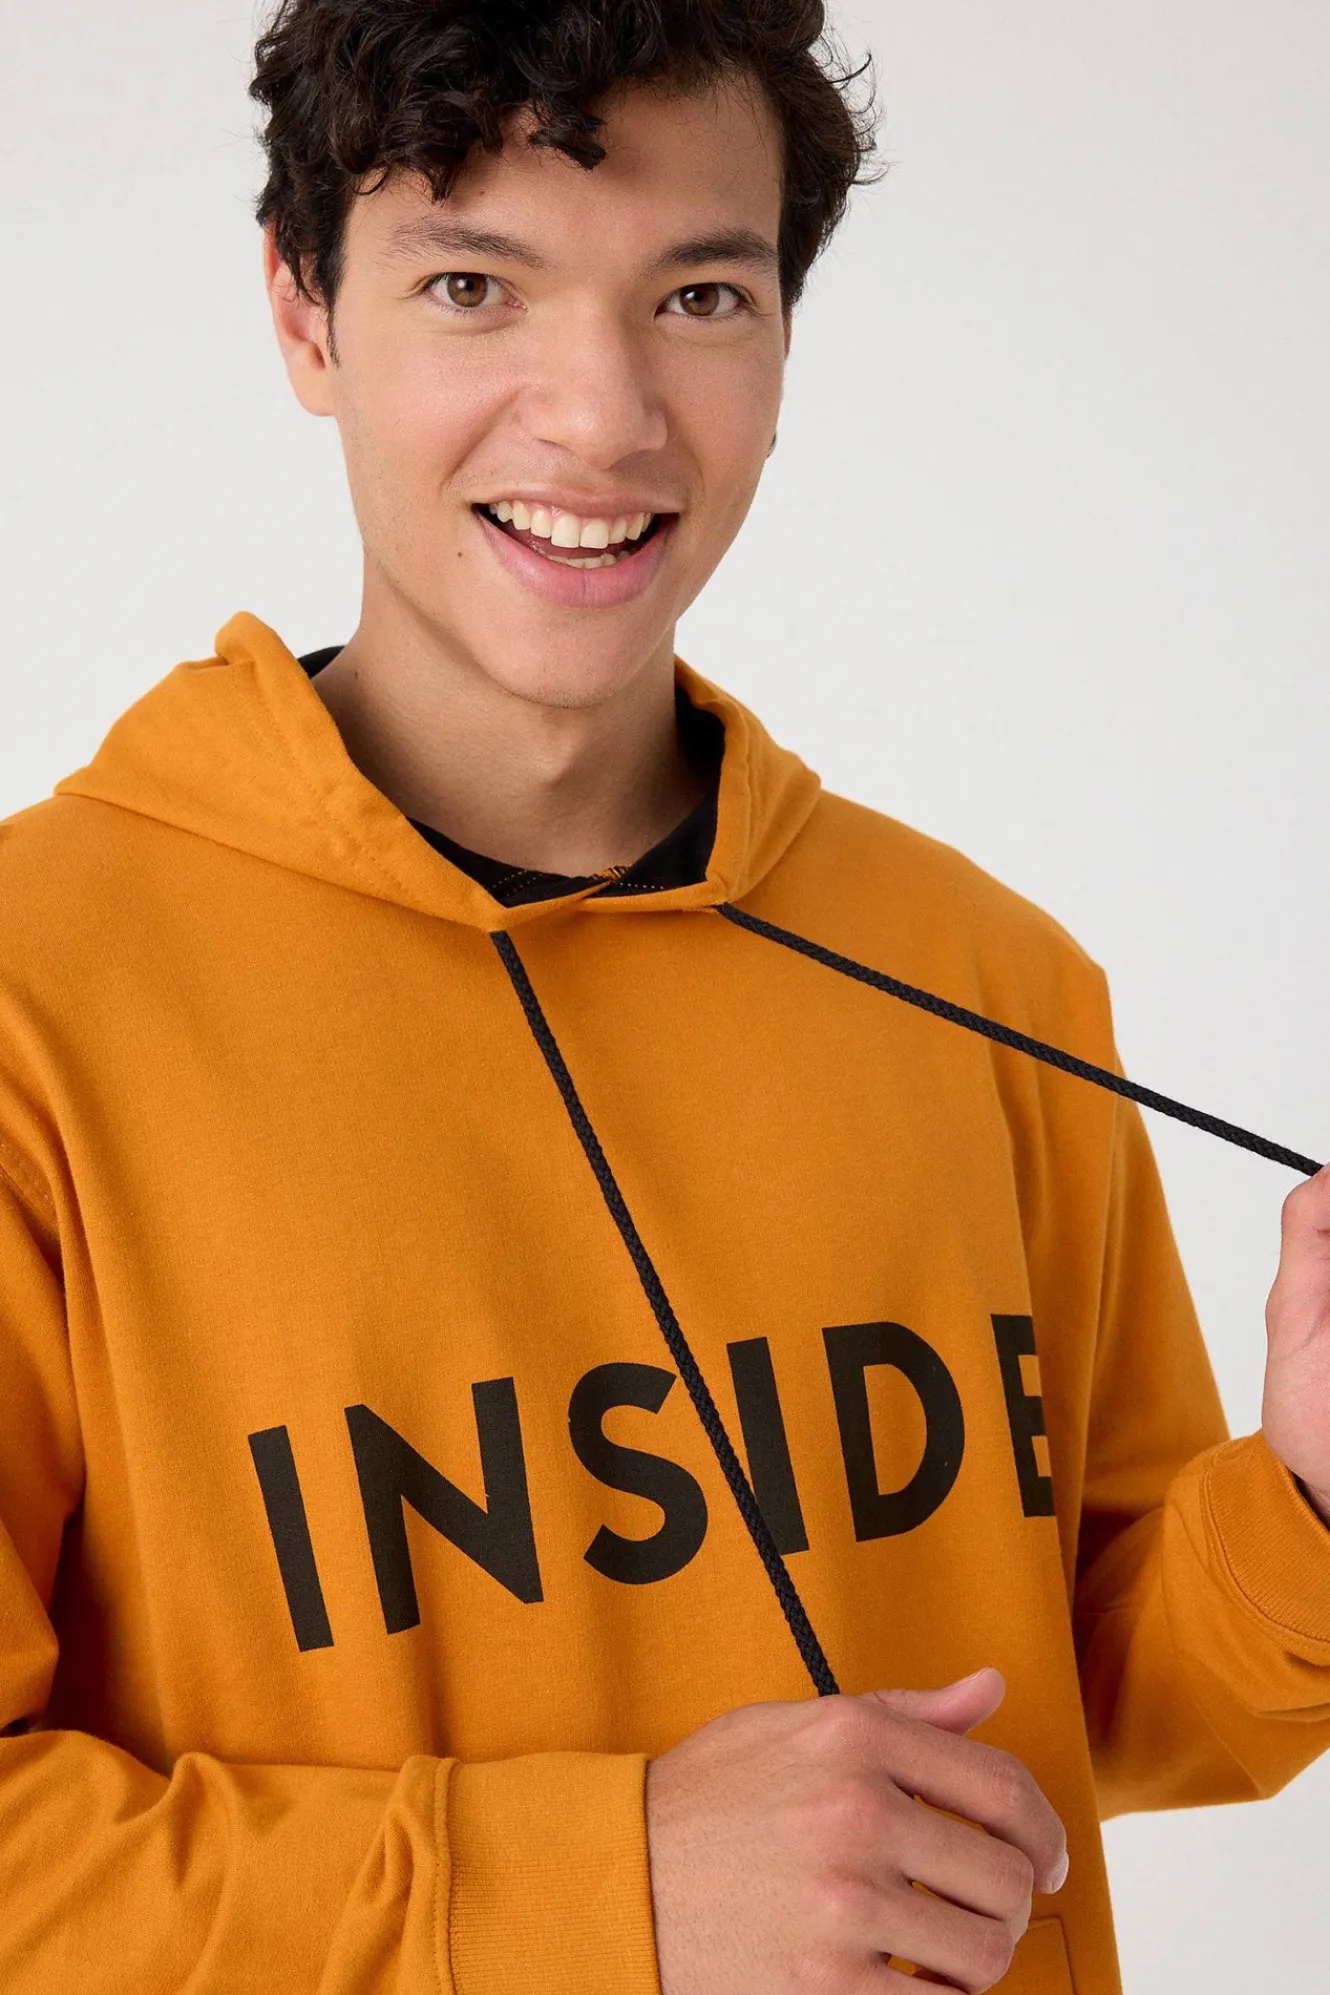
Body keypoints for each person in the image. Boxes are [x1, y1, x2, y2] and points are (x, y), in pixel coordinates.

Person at [1, 2, 1328, 1991]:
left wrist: (1307, 1500)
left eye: (698, 296)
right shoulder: (35, 1006)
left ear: (783, 337)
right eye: (473, 286)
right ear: (303, 314)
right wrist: (597, 1887)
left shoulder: (986, 970)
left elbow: (1082, 1700)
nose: (602, 417)